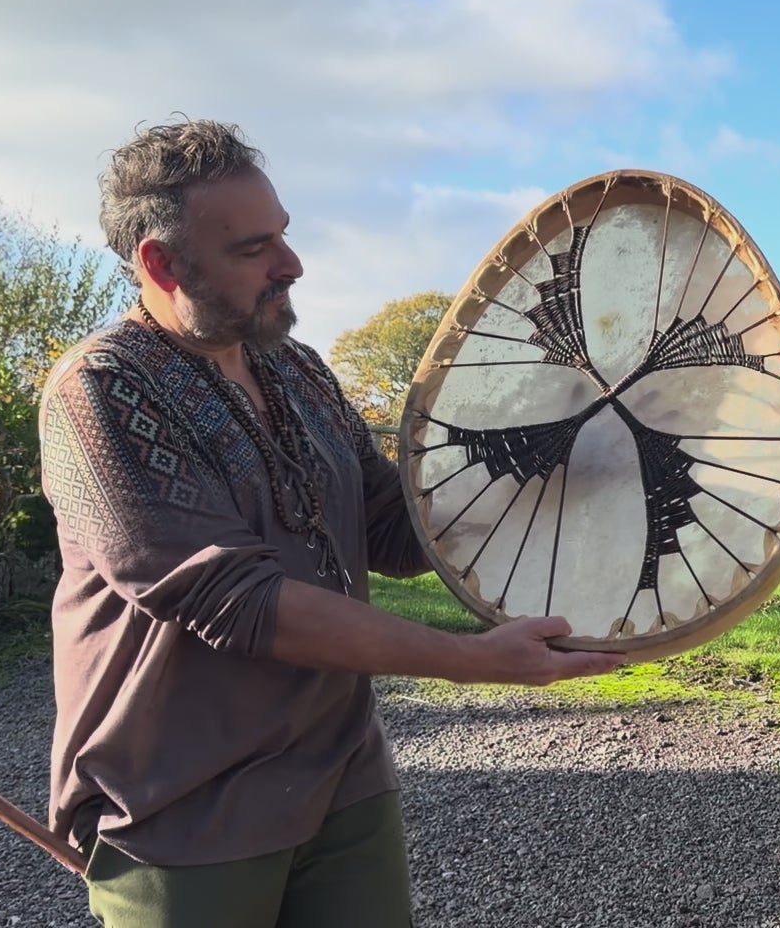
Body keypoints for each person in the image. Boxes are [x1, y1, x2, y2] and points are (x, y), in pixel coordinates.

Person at [37, 119, 624, 928]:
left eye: (283, 234)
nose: (291, 265)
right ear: (161, 263)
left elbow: (392, 527)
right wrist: (468, 660)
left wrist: (555, 459)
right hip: (179, 807)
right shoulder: (100, 393)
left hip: (341, 778)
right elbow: (234, 597)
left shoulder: (298, 370)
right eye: (253, 249)